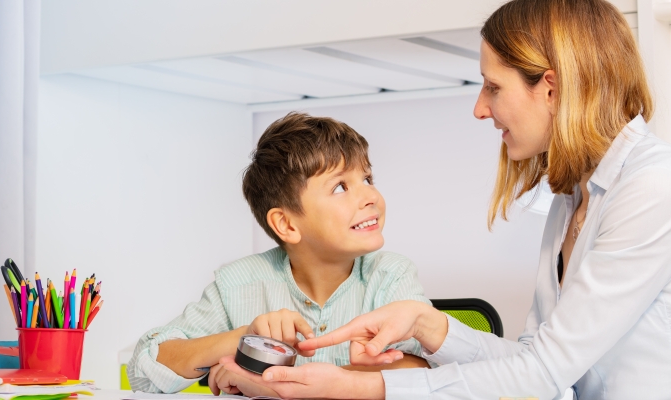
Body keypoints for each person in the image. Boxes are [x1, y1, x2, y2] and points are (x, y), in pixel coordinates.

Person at [209, 0, 671, 398]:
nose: (480, 108)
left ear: (549, 87)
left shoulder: (651, 187)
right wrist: (428, 324)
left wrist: (362, 387)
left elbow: (545, 373)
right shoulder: (572, 199)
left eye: (493, 87)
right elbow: (534, 354)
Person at [127, 112, 434, 395]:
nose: (371, 196)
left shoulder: (391, 275)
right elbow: (143, 370)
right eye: (341, 187)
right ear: (286, 224)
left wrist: (274, 385)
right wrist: (242, 339)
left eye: (367, 179)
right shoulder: (238, 283)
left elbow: (426, 373)